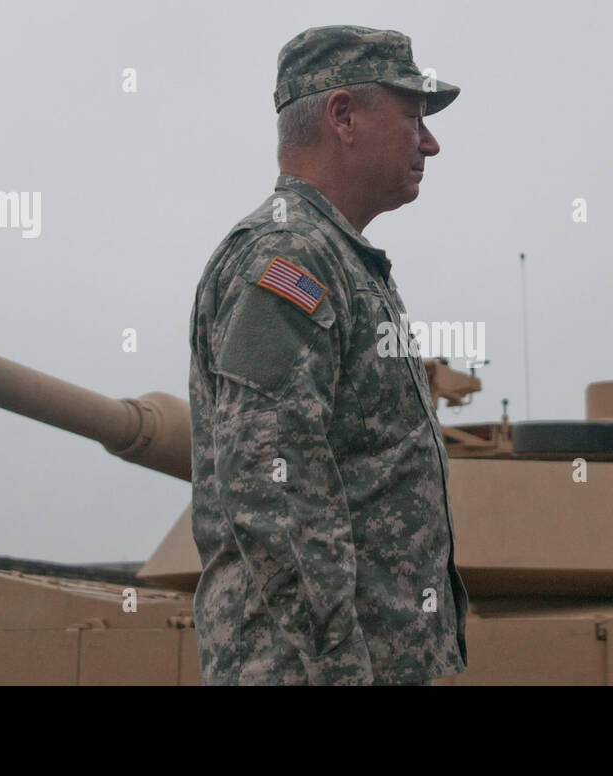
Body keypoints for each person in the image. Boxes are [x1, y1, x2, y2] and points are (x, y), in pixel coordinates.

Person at [188, 25, 468, 685]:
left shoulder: (338, 260)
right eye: (412, 117)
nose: (429, 142)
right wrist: (339, 669)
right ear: (344, 115)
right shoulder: (289, 258)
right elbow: (271, 485)